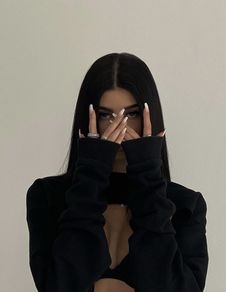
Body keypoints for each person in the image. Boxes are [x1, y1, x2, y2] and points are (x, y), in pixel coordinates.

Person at [26, 52, 209, 292]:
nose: (119, 129)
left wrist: (147, 177)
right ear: (87, 120)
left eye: (131, 114)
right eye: (105, 116)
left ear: (149, 116)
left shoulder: (185, 205)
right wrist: (91, 173)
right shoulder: (47, 197)